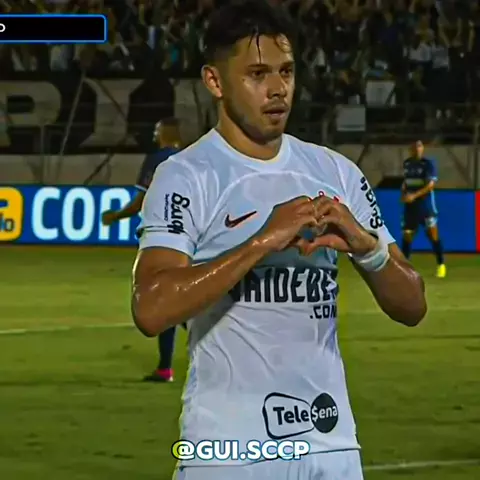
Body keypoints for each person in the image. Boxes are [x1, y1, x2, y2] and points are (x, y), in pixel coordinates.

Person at [131, 1, 427, 479]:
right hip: (229, 451)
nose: (277, 89)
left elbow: (413, 306)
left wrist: (368, 248)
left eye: (286, 71)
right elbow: (150, 308)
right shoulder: (186, 175)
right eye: (257, 74)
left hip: (330, 445)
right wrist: (260, 242)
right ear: (214, 81)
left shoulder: (335, 172)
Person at [102, 118, 182, 383]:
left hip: (162, 238)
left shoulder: (157, 159)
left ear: (164, 133)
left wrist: (115, 216)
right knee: (176, 298)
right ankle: (165, 367)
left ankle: (167, 367)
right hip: (192, 236)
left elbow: (141, 201)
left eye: (157, 130)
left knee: (164, 299)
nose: (154, 134)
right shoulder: (193, 159)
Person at [401, 140, 446, 278]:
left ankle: (441, 265)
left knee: (432, 234)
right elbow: (406, 182)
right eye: (415, 146)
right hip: (410, 206)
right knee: (407, 235)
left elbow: (430, 185)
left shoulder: (428, 164)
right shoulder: (407, 164)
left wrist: (414, 196)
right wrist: (403, 193)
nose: (417, 149)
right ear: (411, 149)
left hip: (425, 205)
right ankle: (404, 268)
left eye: (420, 146)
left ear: (423, 148)